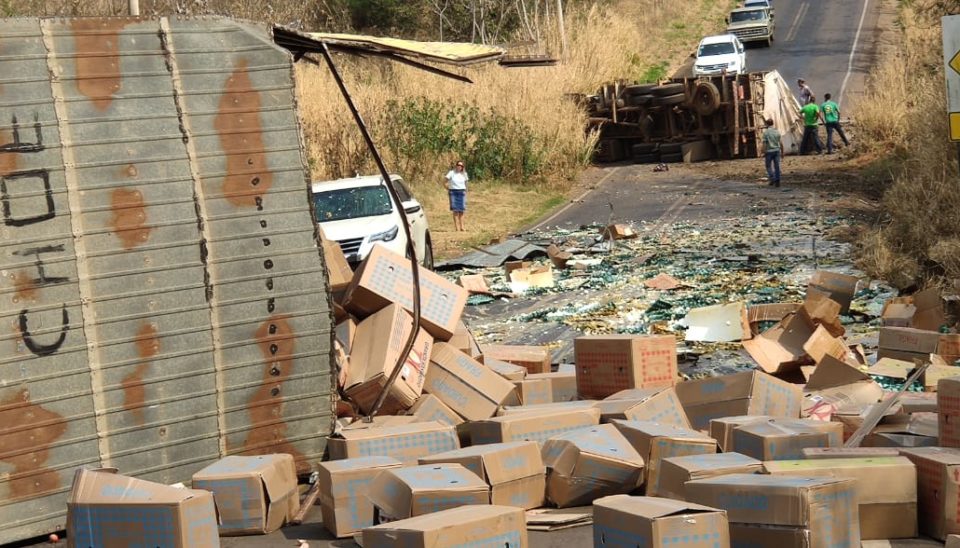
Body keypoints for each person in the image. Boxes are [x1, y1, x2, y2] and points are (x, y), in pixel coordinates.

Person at [444, 160, 469, 231]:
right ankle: (456, 227)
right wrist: (448, 188)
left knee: (462, 210)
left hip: (462, 192)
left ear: (462, 167)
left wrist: (466, 190)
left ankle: (462, 226)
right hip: (453, 192)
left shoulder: (464, 174)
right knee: (455, 210)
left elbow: (466, 183)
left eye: (461, 166)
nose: (459, 167)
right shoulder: (451, 173)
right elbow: (445, 181)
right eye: (458, 165)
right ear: (456, 165)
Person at [761, 118, 783, 187]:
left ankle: (772, 178)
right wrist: (782, 152)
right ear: (773, 123)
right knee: (777, 166)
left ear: (766, 124)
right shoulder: (777, 131)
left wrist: (763, 151)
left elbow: (764, 144)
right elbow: (781, 143)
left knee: (768, 166)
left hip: (769, 152)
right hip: (777, 151)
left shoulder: (766, 133)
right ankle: (778, 180)